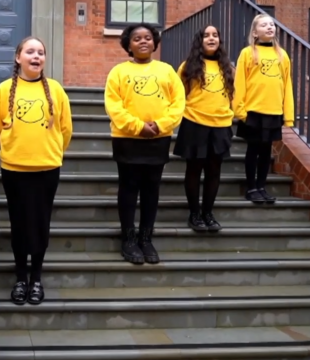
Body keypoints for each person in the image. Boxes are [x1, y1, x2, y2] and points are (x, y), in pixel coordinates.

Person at [0, 36, 72, 305]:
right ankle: (20, 278)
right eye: (30, 52)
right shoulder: (4, 90)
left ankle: (36, 278)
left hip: (46, 168)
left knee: (40, 223)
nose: (36, 56)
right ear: (18, 58)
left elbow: (66, 130)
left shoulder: (56, 90)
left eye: (41, 52)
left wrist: (51, 151)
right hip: (14, 168)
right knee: (19, 223)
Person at [104, 23, 185, 265]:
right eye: (137, 38)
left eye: (148, 38)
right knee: (128, 189)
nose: (143, 42)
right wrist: (138, 126)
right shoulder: (118, 72)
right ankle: (128, 238)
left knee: (151, 189)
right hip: (127, 139)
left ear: (155, 42)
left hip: (157, 140)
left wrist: (160, 125)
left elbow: (178, 103)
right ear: (128, 44)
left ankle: (146, 238)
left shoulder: (167, 71)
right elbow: (114, 106)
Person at [175, 25, 235, 233]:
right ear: (199, 41)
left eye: (215, 35)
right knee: (193, 170)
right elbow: (178, 94)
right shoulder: (187, 67)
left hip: (220, 126)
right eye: (206, 35)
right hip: (194, 123)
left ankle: (208, 213)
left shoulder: (228, 67)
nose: (211, 38)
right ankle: (194, 213)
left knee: (213, 171)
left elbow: (233, 95)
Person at [233, 14, 295, 205]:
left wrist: (288, 116)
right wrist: (240, 110)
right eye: (264, 25)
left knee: (266, 151)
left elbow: (287, 85)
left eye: (272, 24)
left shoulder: (282, 54)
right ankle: (251, 187)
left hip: (274, 111)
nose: (269, 27)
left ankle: (261, 186)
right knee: (253, 149)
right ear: (255, 31)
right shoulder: (247, 53)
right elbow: (239, 82)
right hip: (253, 111)